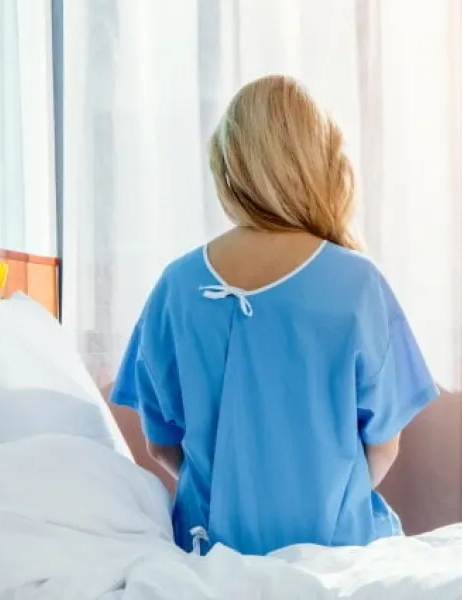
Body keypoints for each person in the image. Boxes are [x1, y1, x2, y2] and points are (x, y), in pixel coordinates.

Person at [110, 75, 439, 557]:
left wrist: (230, 493)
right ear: (321, 163)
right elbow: (383, 447)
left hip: (211, 553)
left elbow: (162, 445)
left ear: (228, 167)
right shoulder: (356, 283)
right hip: (334, 549)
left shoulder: (176, 286)